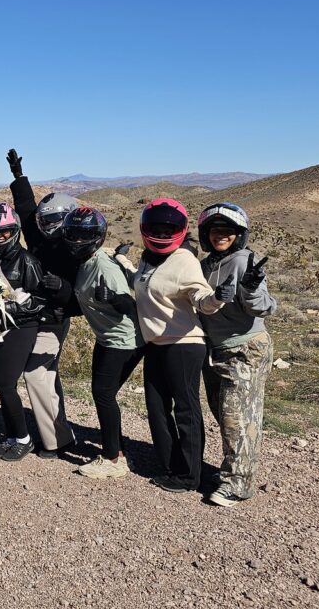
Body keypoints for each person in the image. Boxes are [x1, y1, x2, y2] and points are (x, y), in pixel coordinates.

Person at [128, 198, 228, 493]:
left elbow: (201, 298)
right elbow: (143, 284)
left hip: (184, 344)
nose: (161, 232)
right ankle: (170, 464)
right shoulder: (146, 258)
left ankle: (190, 475)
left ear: (180, 230)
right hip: (156, 344)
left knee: (185, 409)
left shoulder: (184, 260)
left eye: (167, 228)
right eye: (156, 227)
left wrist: (217, 297)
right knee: (156, 408)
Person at [197, 203, 276, 506]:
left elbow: (266, 307)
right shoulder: (206, 265)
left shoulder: (246, 262)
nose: (221, 235)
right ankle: (234, 469)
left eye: (228, 230)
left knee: (237, 417)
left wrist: (252, 288)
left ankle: (238, 484)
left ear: (239, 234)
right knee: (224, 413)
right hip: (215, 349)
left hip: (245, 348)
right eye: (216, 230)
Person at [60, 206, 145, 479]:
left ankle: (113, 459)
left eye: (83, 235)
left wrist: (111, 298)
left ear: (96, 236)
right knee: (103, 394)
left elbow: (129, 306)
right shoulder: (84, 262)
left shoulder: (103, 266)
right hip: (106, 337)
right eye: (72, 233)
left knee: (104, 395)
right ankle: (115, 449)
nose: (76, 239)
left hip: (124, 340)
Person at [5, 149, 78, 457]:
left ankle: (56, 441)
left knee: (37, 373)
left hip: (55, 318)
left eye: (54, 221)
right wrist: (19, 177)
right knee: (46, 374)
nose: (47, 226)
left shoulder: (77, 249)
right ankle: (57, 432)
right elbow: (25, 207)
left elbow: (81, 298)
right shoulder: (38, 234)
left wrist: (62, 291)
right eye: (44, 220)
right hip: (29, 316)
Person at [0, 202, 50, 462]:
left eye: (4, 232)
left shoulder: (27, 261)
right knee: (3, 385)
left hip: (21, 328)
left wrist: (17, 305)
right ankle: (11, 436)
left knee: (3, 383)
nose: (0, 237)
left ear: (14, 230)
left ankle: (24, 438)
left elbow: (42, 300)